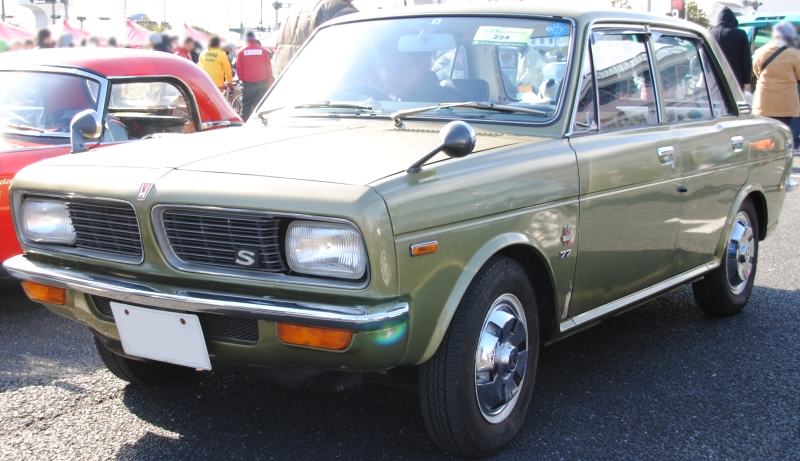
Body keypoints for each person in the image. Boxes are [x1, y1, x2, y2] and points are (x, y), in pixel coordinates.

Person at [274, 0, 358, 75]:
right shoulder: (340, 9)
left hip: (286, 83)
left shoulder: (293, 10)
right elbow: (357, 59)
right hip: (321, 82)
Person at [752, 21, 800, 139]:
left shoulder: (760, 51)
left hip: (764, 101)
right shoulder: (795, 53)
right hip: (786, 102)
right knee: (785, 135)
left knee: (766, 137)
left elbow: (757, 72)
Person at [378, 49, 461, 103]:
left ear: (423, 65)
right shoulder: (379, 103)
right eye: (386, 67)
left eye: (401, 66)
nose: (392, 75)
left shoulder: (450, 102)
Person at [709, 7, 752, 91]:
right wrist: (747, 82)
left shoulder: (710, 34)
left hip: (712, 79)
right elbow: (746, 60)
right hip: (735, 79)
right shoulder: (740, 34)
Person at [236, 31, 275, 120]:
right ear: (255, 38)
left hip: (248, 82)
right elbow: (268, 67)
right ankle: (259, 121)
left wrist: (243, 79)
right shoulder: (263, 50)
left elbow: (239, 68)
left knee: (247, 103)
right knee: (259, 104)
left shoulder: (241, 51)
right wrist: (269, 79)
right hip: (262, 81)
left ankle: (245, 121)